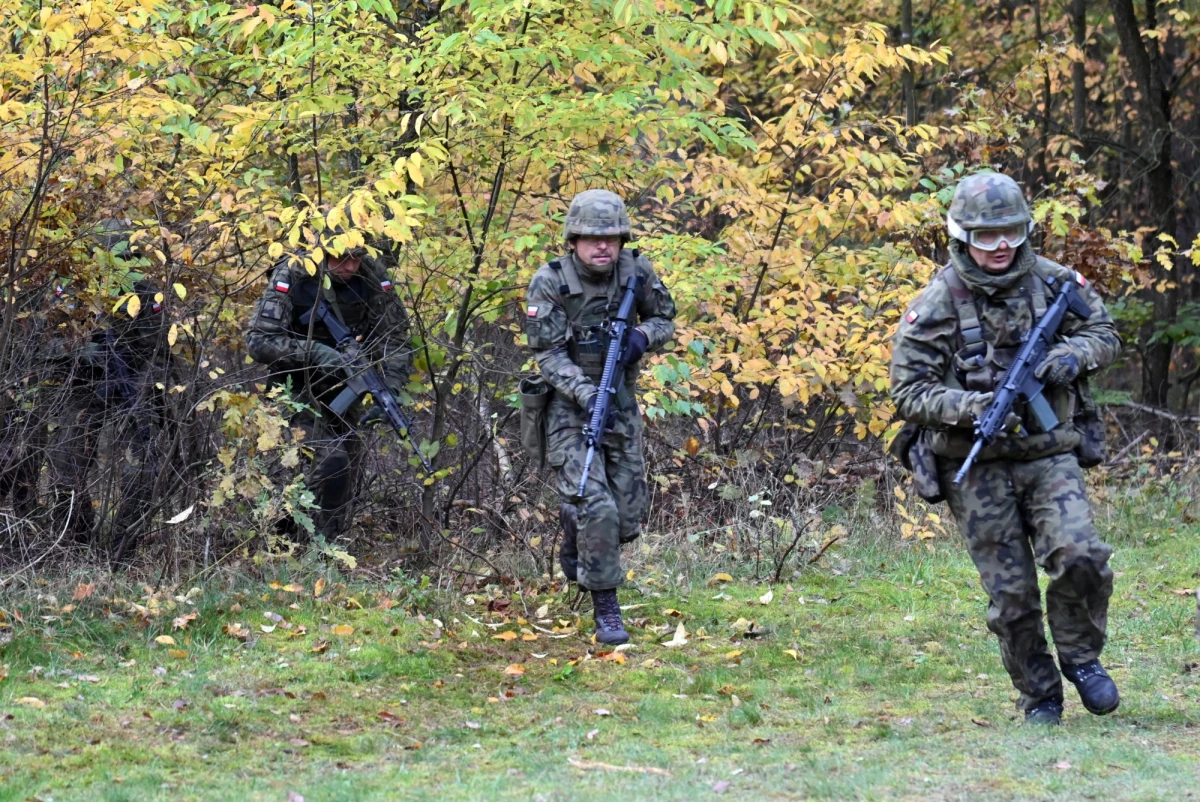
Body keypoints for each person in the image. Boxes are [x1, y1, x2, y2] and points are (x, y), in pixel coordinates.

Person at [890, 172, 1122, 725]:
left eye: (1011, 233)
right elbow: (908, 391)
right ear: (960, 235)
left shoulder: (1055, 282)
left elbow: (1105, 334)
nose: (999, 246)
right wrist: (971, 407)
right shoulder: (938, 301)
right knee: (1012, 596)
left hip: (1049, 452)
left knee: (1081, 555)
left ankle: (1081, 658)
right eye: (985, 235)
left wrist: (1072, 357)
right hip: (975, 468)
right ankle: (1040, 693)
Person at [524, 189, 677, 644]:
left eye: (612, 237)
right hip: (570, 410)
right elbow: (547, 354)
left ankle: (575, 530)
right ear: (573, 240)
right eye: (592, 238)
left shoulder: (636, 272)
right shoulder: (549, 281)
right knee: (599, 507)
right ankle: (606, 607)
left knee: (627, 519)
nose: (603, 247)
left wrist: (642, 338)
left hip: (622, 406)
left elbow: (666, 318)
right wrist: (588, 394)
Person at [245, 211, 413, 540]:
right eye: (342, 258)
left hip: (346, 384)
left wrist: (390, 390)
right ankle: (280, 538)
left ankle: (326, 549)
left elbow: (397, 337)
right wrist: (317, 353)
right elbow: (258, 341)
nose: (351, 266)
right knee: (325, 459)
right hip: (293, 385)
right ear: (323, 250)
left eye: (356, 258)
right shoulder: (294, 271)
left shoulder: (371, 273)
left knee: (346, 464)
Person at [43, 220, 170, 561]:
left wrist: (149, 392)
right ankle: (73, 545)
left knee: (143, 468)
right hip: (82, 386)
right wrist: (78, 349)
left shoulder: (145, 290)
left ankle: (121, 548)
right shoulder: (68, 289)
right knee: (66, 470)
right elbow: (45, 343)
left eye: (125, 257)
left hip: (132, 382)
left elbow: (160, 349)